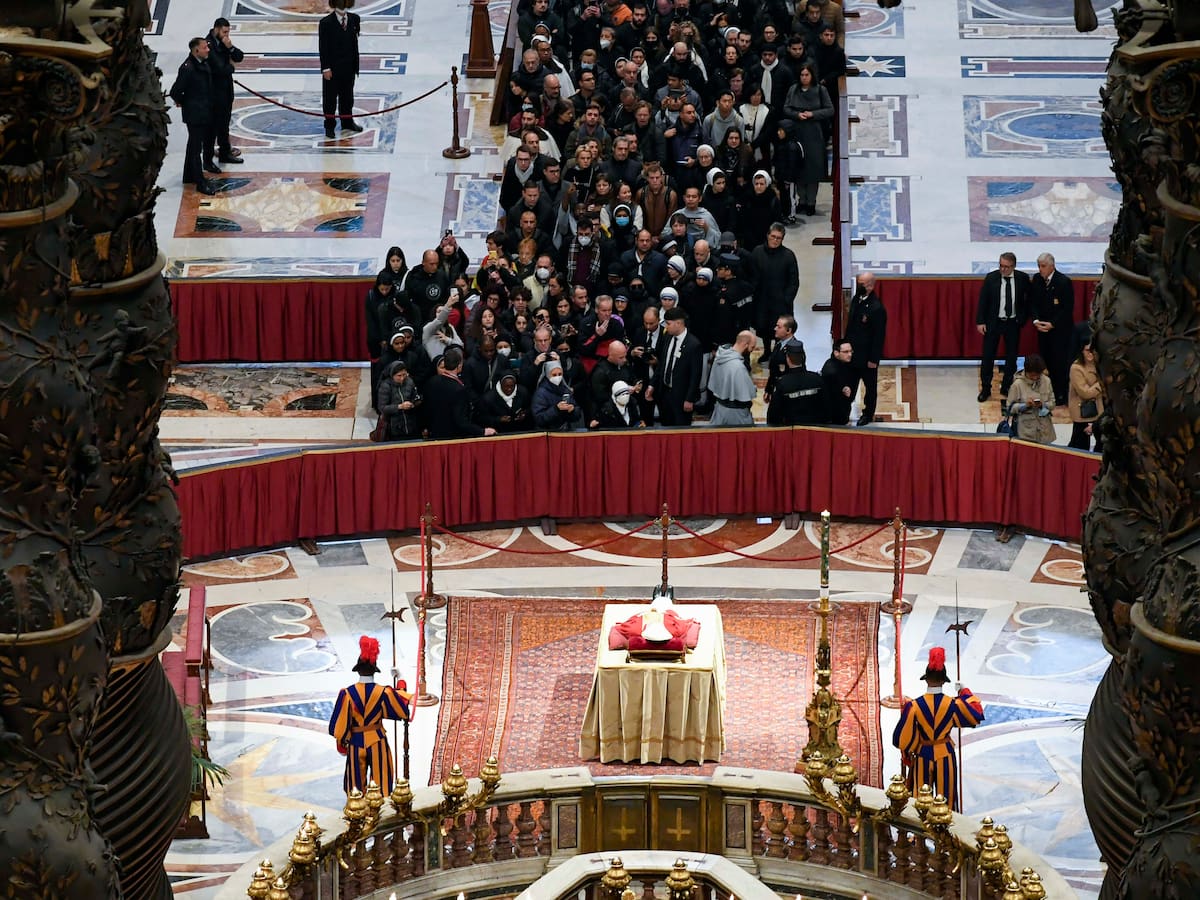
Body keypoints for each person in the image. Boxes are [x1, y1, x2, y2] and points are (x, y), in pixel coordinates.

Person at [892, 647, 984, 812]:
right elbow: (976, 712)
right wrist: (963, 691)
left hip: (922, 755)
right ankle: (945, 835)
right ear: (944, 681)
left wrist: (908, 753)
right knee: (946, 801)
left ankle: (919, 834)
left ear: (926, 680)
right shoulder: (953, 704)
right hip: (945, 754)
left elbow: (901, 739)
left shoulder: (913, 706)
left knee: (920, 799)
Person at [328, 636, 413, 794]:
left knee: (355, 788)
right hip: (377, 741)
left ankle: (357, 814)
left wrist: (342, 743)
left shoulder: (347, 694)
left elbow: (338, 728)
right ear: (375, 671)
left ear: (358, 670)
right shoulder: (384, 692)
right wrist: (400, 679)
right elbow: (402, 709)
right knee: (381, 785)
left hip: (355, 742)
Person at [975, 251, 1031, 402]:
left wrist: (1022, 318)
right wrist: (980, 321)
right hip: (994, 322)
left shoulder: (1022, 279)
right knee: (988, 356)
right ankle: (986, 388)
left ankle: (1007, 386)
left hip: (1012, 323)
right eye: (1001, 266)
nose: (1003, 269)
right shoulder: (991, 278)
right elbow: (983, 301)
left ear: (1013, 266)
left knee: (1011, 357)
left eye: (1006, 267)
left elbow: (1028, 301)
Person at [780, 63, 833, 217]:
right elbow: (786, 108)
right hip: (797, 131)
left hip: (814, 133)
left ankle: (811, 202)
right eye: (802, 75)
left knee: (813, 169)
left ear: (812, 75)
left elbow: (830, 110)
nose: (804, 78)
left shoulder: (820, 90)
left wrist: (812, 114)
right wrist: (797, 115)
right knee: (798, 167)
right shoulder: (793, 89)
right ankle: (801, 201)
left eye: (807, 75)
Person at [168, 37, 218, 195]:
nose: (208, 49)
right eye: (205, 47)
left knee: (193, 145)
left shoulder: (202, 63)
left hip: (204, 110)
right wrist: (185, 102)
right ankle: (200, 182)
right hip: (195, 114)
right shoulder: (188, 68)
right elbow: (175, 91)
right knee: (196, 148)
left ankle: (189, 175)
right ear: (196, 50)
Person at [1030, 252, 1075, 406]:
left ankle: (1060, 394)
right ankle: (1046, 392)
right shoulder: (1037, 280)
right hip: (1042, 330)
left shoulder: (1064, 282)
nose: (1040, 269)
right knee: (1045, 361)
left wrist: (1053, 324)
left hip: (1059, 332)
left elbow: (1067, 309)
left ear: (1052, 266)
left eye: (1043, 266)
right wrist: (1036, 320)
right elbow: (1033, 302)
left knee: (1059, 363)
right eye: (1039, 266)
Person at [646, 306, 703, 426]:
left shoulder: (694, 345)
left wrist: (689, 399)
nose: (666, 327)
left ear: (678, 323)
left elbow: (695, 375)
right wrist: (652, 385)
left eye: (668, 324)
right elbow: (662, 364)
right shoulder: (667, 337)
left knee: (681, 431)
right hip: (665, 394)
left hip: (682, 397)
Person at [424, 347, 496, 439]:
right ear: (459, 365)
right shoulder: (458, 389)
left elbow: (426, 409)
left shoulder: (432, 381)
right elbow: (461, 421)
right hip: (453, 438)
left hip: (435, 435)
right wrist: (482, 431)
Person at [843, 272, 886, 426]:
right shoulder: (856, 299)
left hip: (867, 358)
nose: (859, 285)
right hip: (852, 355)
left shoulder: (877, 308)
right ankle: (843, 412)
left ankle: (868, 414)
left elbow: (878, 337)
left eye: (862, 283)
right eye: (859, 282)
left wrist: (873, 360)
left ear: (870, 286)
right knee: (849, 384)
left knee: (870, 388)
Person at [750, 223, 800, 355]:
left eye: (779, 238)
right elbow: (752, 276)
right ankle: (767, 352)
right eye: (773, 236)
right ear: (767, 235)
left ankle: (779, 354)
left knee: (781, 330)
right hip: (762, 300)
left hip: (781, 303)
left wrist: (787, 299)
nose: (775, 240)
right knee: (764, 329)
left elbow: (794, 281)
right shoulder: (757, 252)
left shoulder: (788, 256)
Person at [319, 0, 362, 139]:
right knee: (330, 99)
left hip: (349, 67)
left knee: (347, 97)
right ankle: (330, 126)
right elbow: (323, 48)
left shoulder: (354, 19)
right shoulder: (326, 23)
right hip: (333, 69)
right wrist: (325, 68)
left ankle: (347, 122)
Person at [205, 18, 244, 168]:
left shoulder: (223, 42)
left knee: (224, 124)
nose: (227, 34)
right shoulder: (208, 44)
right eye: (225, 31)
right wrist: (231, 66)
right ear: (216, 29)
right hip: (215, 92)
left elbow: (239, 57)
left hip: (226, 90)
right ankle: (209, 158)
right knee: (214, 126)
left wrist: (231, 47)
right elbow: (221, 69)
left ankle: (224, 152)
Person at [767, 338, 827, 425]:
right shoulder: (817, 379)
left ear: (787, 358)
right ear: (803, 357)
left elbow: (774, 415)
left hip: (791, 431)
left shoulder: (783, 383)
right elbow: (826, 408)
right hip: (814, 430)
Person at [707, 329, 757, 426]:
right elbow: (745, 396)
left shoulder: (720, 356)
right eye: (752, 346)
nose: (752, 350)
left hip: (719, 410)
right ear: (745, 344)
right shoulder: (738, 367)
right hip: (736, 415)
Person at [1006, 354, 1056, 444]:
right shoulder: (1017, 385)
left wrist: (1042, 405)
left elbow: (1052, 403)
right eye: (1032, 375)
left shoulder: (1046, 381)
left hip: (1044, 430)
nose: (1035, 378)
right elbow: (1009, 408)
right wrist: (1025, 405)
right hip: (1025, 432)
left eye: (1038, 375)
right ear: (1027, 372)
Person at [1068, 344, 1103, 452]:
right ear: (1082, 351)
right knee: (1079, 447)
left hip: (1098, 411)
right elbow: (1085, 393)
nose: (1090, 353)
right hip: (1081, 412)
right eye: (1088, 350)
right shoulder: (1076, 368)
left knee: (1102, 445)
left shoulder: (1100, 365)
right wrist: (1101, 384)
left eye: (1093, 350)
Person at [375, 361, 422, 441]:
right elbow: (382, 408)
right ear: (392, 375)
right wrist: (399, 406)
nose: (402, 378)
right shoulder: (385, 386)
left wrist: (413, 404)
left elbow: (417, 397)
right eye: (399, 376)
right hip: (394, 427)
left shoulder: (409, 381)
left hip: (411, 423)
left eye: (404, 375)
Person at [532, 360, 584, 429]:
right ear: (547, 375)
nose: (557, 377)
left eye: (560, 374)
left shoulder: (565, 389)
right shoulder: (540, 393)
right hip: (548, 433)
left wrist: (573, 410)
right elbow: (539, 419)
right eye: (554, 375)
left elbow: (577, 414)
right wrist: (556, 409)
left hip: (565, 430)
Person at [821, 338, 856, 425]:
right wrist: (843, 388)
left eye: (851, 351)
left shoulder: (846, 364)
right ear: (836, 353)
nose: (850, 354)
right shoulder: (831, 370)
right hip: (834, 419)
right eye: (846, 352)